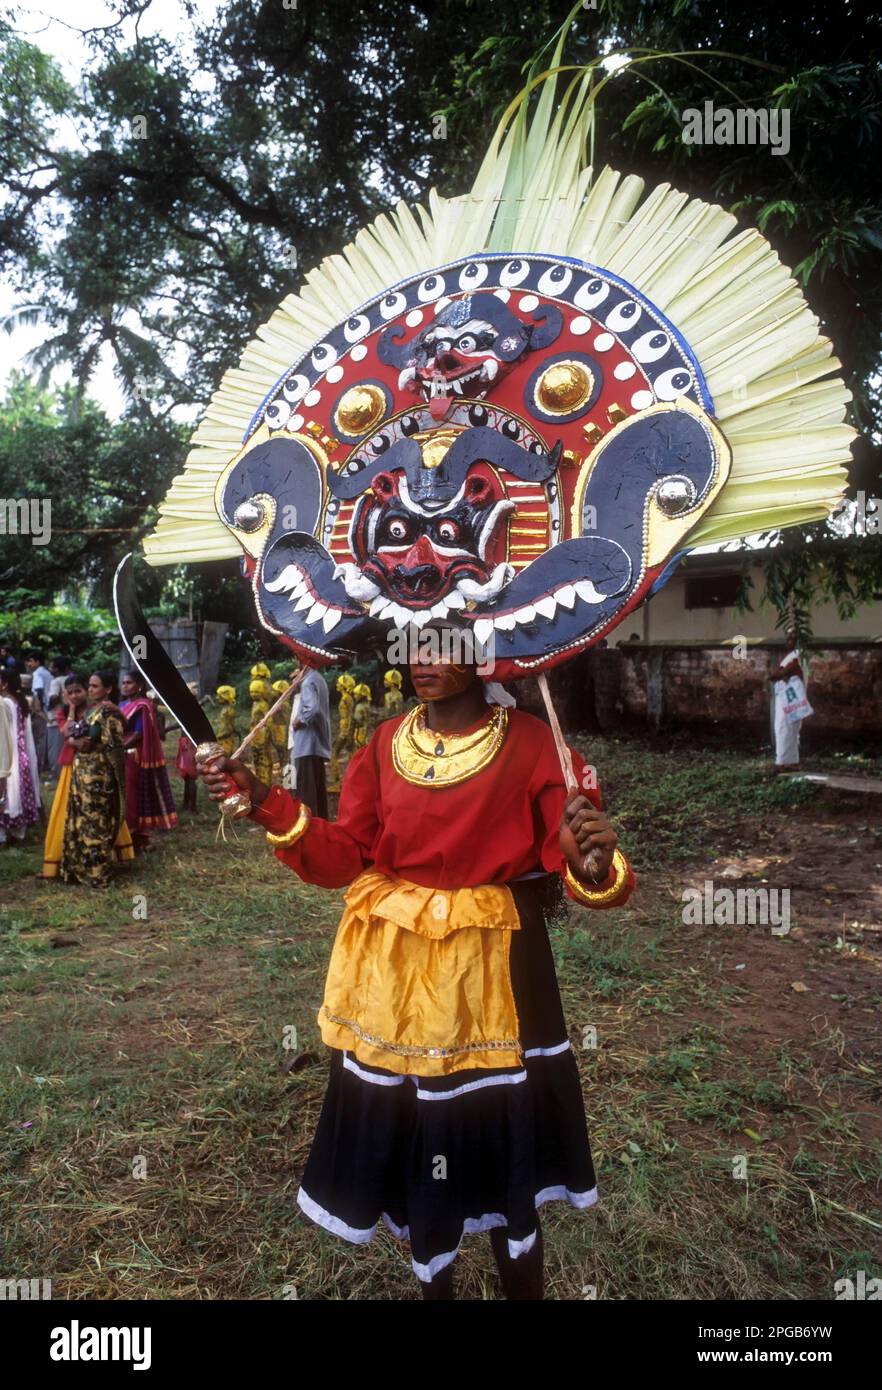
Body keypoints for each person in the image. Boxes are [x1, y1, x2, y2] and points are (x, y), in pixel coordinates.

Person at [198, 629, 634, 1300]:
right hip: (397, 984)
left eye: (443, 644)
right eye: (412, 643)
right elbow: (345, 853)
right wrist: (262, 798)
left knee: (496, 1133)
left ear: (484, 649)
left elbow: (581, 861)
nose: (421, 661)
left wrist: (593, 863)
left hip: (496, 976)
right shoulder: (381, 745)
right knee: (421, 1145)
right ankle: (436, 1282)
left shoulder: (533, 747)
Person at [42, 673, 134, 879]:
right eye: (70, 692)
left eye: (81, 690)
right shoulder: (68, 711)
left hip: (96, 771)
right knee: (72, 816)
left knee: (95, 818)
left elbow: (115, 734)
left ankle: (97, 866)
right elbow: (67, 733)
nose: (76, 695)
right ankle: (72, 862)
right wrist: (72, 713)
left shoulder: (102, 712)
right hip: (75, 768)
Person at [120, 670, 178, 851]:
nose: (124, 686)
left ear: (139, 686)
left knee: (132, 796)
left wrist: (119, 747)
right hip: (119, 753)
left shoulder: (143, 706)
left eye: (129, 683)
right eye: (123, 683)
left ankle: (136, 836)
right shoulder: (121, 704)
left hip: (132, 754)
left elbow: (139, 733)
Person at [0, 669, 42, 846]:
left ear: (5, 683)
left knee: (7, 791)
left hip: (9, 751)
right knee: (17, 790)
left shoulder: (5, 702)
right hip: (21, 751)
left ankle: (2, 835)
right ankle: (19, 833)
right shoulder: (20, 701)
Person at [289, 666, 330, 817]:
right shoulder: (317, 681)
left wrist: (299, 721)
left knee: (305, 791)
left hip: (303, 747)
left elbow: (311, 709)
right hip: (310, 747)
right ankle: (319, 823)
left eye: (295, 678)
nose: (293, 682)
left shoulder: (308, 685)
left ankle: (308, 825)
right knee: (314, 789)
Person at [768, 626, 811, 772]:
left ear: (799, 640)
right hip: (790, 699)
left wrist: (777, 674)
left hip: (791, 699)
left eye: (792, 637)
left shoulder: (798, 655)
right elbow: (780, 673)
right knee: (787, 730)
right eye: (787, 637)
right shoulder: (793, 655)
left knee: (785, 729)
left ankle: (783, 763)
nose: (788, 640)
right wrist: (779, 674)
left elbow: (777, 675)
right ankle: (792, 762)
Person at [26, 651, 52, 775]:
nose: (29, 664)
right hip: (48, 709)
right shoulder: (46, 673)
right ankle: (44, 764)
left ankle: (38, 766)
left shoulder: (37, 673)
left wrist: (38, 710)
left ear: (38, 662)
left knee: (40, 739)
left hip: (42, 710)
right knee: (44, 738)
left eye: (31, 661)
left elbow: (39, 691)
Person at [247, 677, 275, 787]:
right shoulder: (255, 704)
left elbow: (268, 721)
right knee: (257, 760)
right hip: (255, 737)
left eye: (256, 692)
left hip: (262, 737)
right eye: (251, 692)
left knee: (264, 760)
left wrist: (266, 736)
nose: (253, 694)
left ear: (262, 692)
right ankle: (259, 780)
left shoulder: (263, 705)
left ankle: (266, 782)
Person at [329, 673, 356, 788]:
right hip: (345, 729)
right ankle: (348, 780)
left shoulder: (346, 698)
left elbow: (350, 716)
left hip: (345, 730)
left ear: (344, 685)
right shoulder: (346, 697)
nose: (337, 685)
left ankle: (338, 781)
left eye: (339, 683)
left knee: (335, 752)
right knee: (350, 753)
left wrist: (347, 733)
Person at [46, 655, 72, 772]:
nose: (50, 669)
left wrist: (49, 706)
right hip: (68, 718)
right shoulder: (71, 679)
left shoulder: (56, 681)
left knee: (54, 749)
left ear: (57, 669)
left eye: (52, 667)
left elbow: (54, 697)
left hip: (55, 719)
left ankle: (56, 774)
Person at [215, 685, 238, 756]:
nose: (217, 698)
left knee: (225, 756)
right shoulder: (225, 709)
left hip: (226, 739)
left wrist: (218, 737)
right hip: (224, 739)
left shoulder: (228, 710)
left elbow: (228, 728)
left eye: (220, 696)